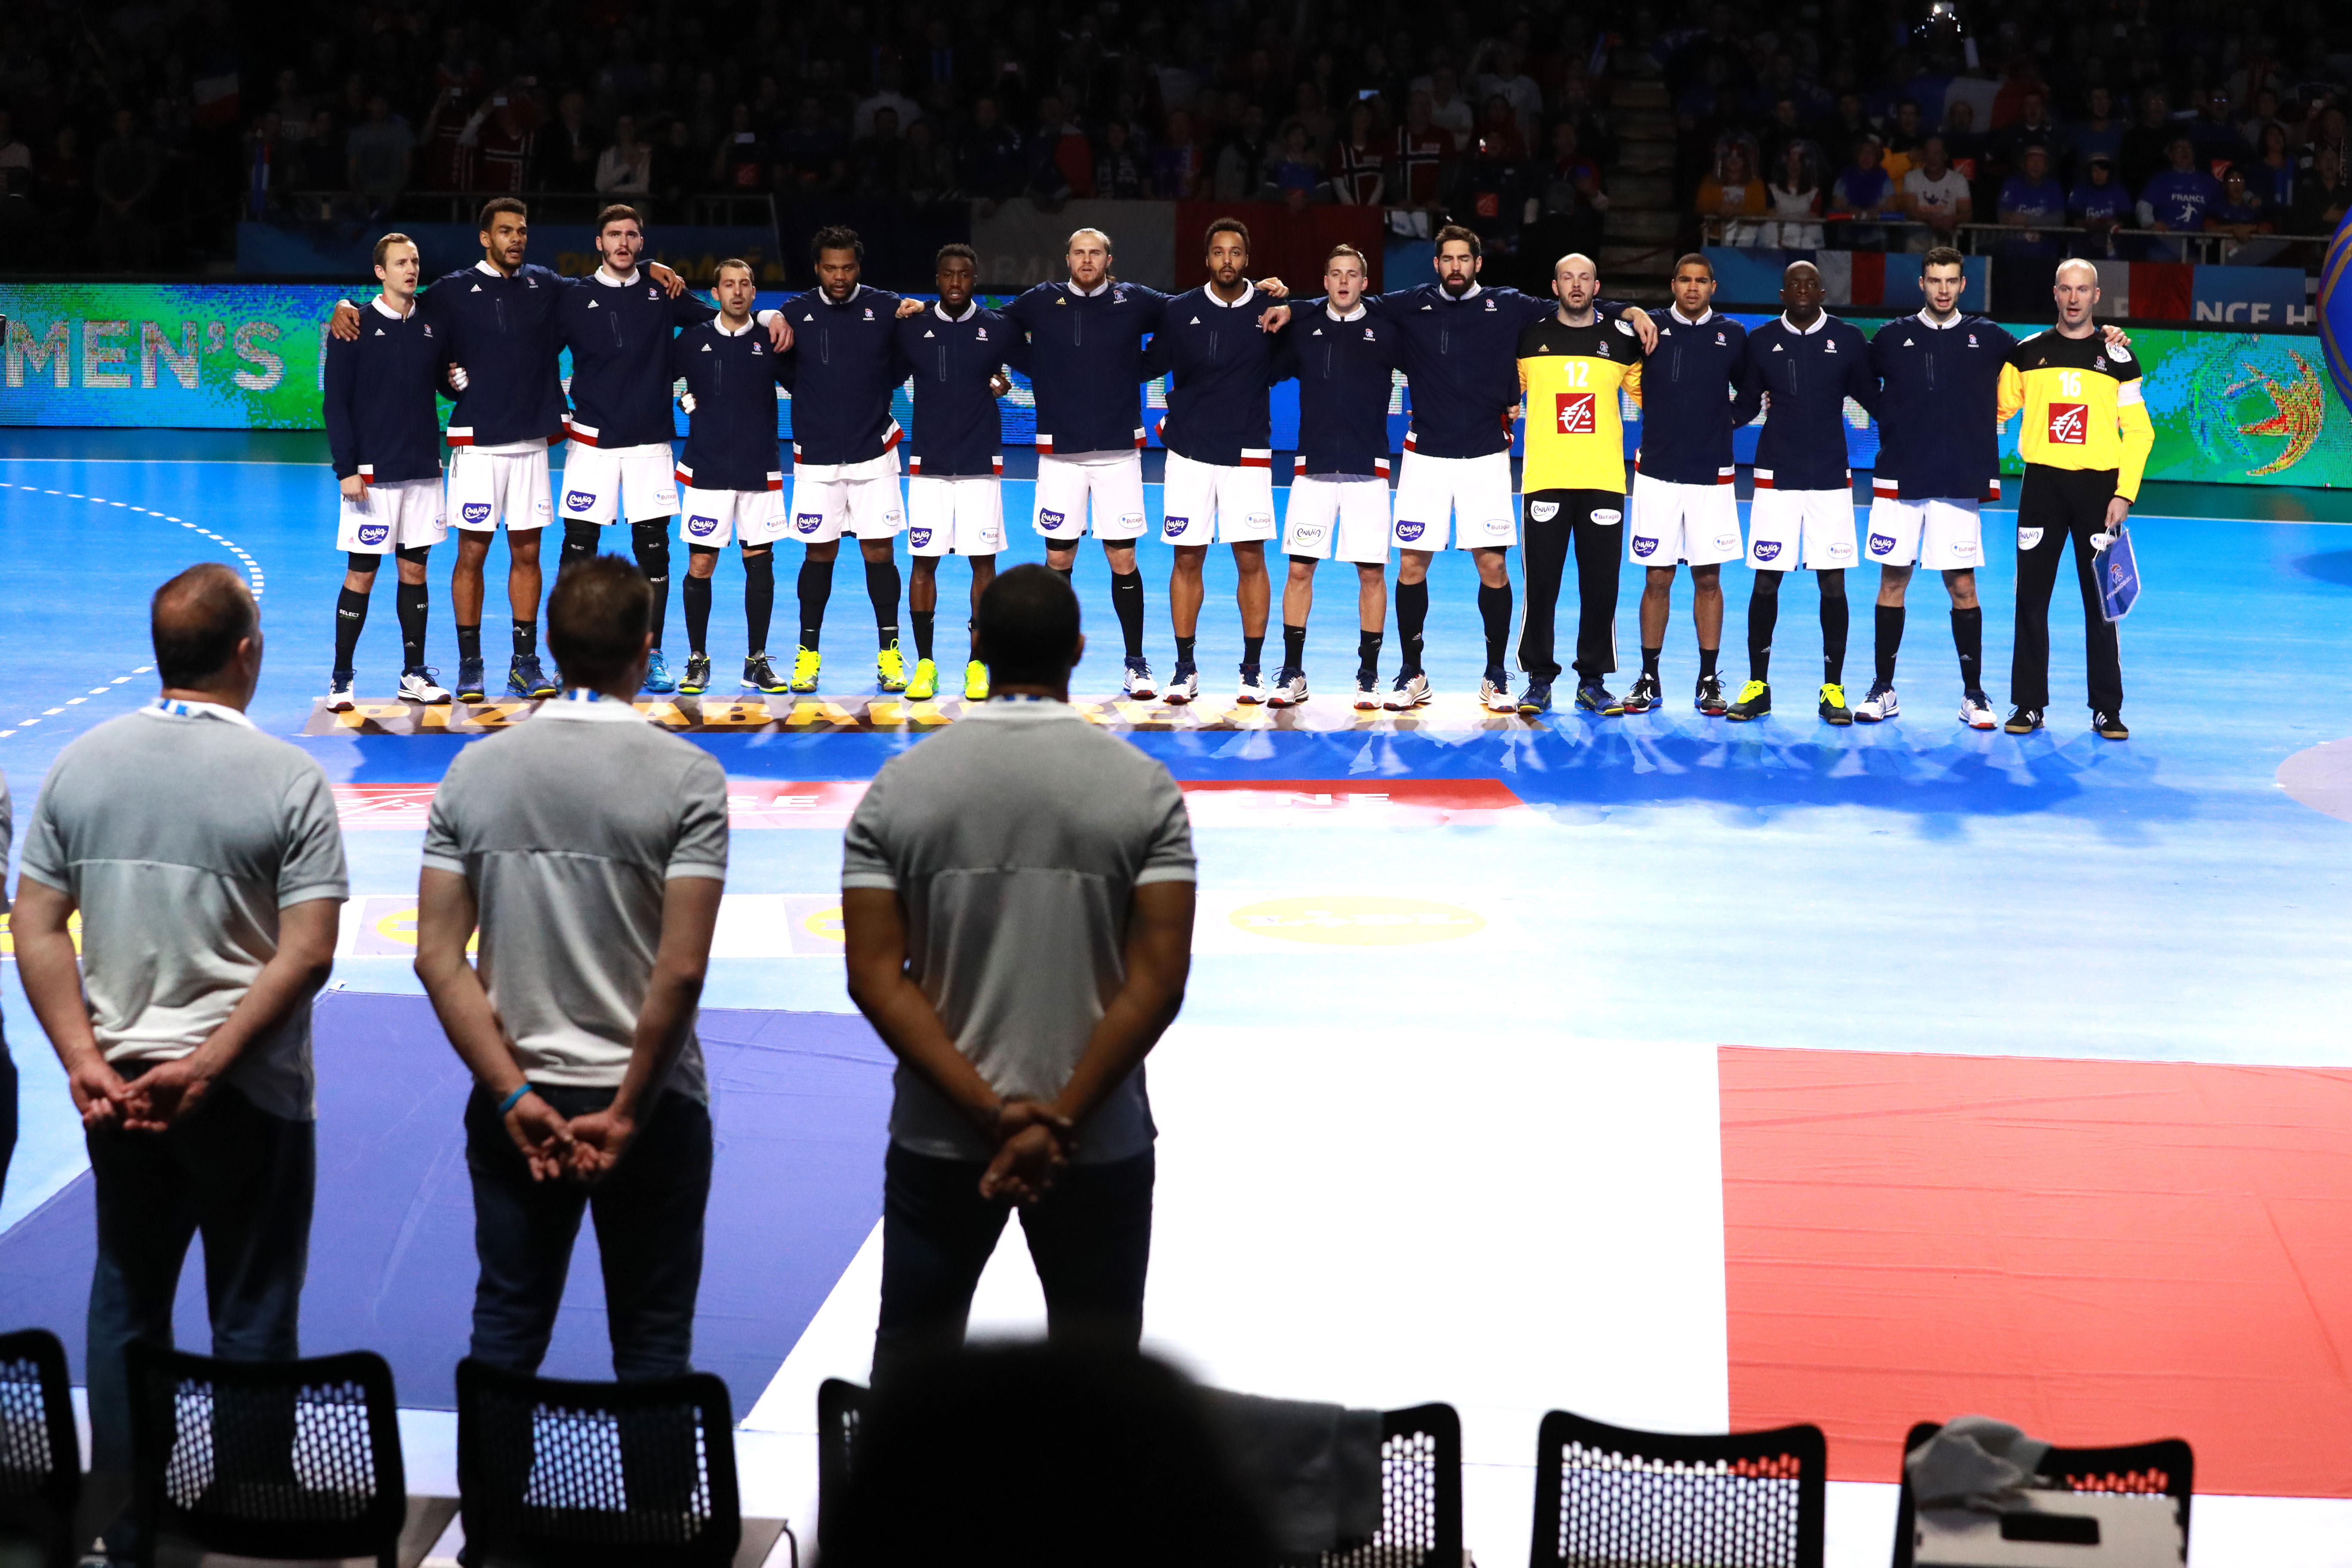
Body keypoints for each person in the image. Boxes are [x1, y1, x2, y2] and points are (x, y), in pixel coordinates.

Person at [14, 565, 344, 1564]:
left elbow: (34, 926)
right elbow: (310, 950)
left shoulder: (82, 764)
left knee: (126, 1294)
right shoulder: (288, 780)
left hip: (117, 1089)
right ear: (247, 652)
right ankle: (247, 1504)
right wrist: (209, 1065)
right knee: (252, 1300)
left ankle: (126, 1514)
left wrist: (81, 1060)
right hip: (249, 1094)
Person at [841, 566, 1195, 1381]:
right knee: (1100, 1385)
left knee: (911, 1371)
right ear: (1078, 648)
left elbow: (873, 976)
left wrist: (990, 1114)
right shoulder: (1143, 789)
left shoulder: (900, 786)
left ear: (976, 646)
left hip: (941, 1131)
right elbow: (1159, 981)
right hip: (1098, 1135)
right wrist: (1059, 1119)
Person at [414, 557, 728, 1391]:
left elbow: (437, 958)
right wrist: (626, 1113)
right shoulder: (689, 779)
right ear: (646, 649)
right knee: (655, 1345)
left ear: (549, 646)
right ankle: (661, 1526)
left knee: (506, 1331)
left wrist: (515, 1097)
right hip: (653, 1107)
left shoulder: (474, 771)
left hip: (521, 1103)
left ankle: (494, 1525)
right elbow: (683, 968)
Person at [326, 199, 686, 702]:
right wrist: (347, 306)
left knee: (529, 553)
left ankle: (525, 663)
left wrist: (650, 267)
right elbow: (398, 305)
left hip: (532, 443)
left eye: (521, 231)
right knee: (471, 553)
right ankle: (471, 665)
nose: (516, 239)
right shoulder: (450, 292)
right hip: (476, 444)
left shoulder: (546, 285)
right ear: (484, 238)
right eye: (505, 232)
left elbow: (609, 274)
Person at [1365, 225, 1654, 710]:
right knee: (1416, 563)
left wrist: (1633, 309)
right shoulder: (1412, 303)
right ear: (1437, 264)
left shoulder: (1516, 308)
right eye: (1448, 259)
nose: (1456, 267)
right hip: (1436, 456)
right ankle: (1417, 672)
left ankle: (1507, 675)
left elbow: (1588, 317)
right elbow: (1347, 304)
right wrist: (1293, 304)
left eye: (1465, 259)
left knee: (1505, 567)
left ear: (1479, 263)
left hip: (1503, 459)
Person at [554, 205, 788, 695]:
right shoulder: (573, 298)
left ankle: (653, 652)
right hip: (591, 445)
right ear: (599, 242)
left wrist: (770, 312)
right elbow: (535, 352)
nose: (623, 243)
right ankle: (570, 656)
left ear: (642, 244)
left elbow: (723, 316)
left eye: (632, 236)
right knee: (578, 552)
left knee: (654, 554)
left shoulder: (664, 292)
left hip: (649, 447)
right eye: (614, 235)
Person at [990, 229, 1172, 697]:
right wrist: (1035, 365)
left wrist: (1145, 365)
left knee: (1123, 558)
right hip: (1060, 453)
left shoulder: (1134, 299)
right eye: (1079, 253)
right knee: (1058, 559)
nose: (1087, 260)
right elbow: (991, 327)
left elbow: (1187, 313)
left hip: (1119, 453)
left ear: (1109, 259)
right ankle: (1049, 661)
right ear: (1067, 258)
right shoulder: (1040, 300)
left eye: (1095, 253)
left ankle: (1136, 664)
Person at [1994, 260, 2153, 739]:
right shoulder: (2026, 354)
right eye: (2066, 289)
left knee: (2102, 603)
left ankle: (2107, 708)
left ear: (2097, 296)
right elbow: (1994, 409)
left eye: (2083, 290)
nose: (2074, 298)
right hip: (2042, 486)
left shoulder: (2119, 358)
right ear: (2055, 293)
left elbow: (2139, 432)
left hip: (2098, 492)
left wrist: (2124, 493)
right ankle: (2028, 705)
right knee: (2031, 601)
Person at [1142, 218, 1295, 704]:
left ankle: (1251, 671)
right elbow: (1145, 364)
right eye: (1218, 253)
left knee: (1251, 561)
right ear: (1206, 259)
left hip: (1247, 453)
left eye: (1235, 253)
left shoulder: (1272, 307)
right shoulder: (1180, 310)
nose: (1226, 261)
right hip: (1189, 454)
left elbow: (1314, 333)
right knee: (1187, 558)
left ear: (1247, 260)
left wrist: (1292, 302)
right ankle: (1185, 668)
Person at [1862, 248, 2011, 729]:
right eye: (1934, 281)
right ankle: (1883, 689)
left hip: (1957, 480)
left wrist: (2107, 334)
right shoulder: (1892, 337)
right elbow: (1857, 377)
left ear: (1963, 285)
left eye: (1951, 281)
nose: (1943, 290)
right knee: (1892, 582)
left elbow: (2046, 355)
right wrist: (1891, 417)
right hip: (1900, 478)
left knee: (1963, 586)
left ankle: (1974, 695)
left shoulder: (1988, 338)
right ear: (1922, 284)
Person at [1725, 260, 1878, 723]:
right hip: (1775, 476)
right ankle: (1758, 686)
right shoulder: (1761, 340)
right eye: (1795, 284)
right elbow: (1746, 404)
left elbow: (1876, 398)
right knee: (1766, 579)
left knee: (1833, 583)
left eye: (1812, 283)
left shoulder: (1849, 339)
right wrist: (1699, 423)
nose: (1804, 290)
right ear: (1783, 292)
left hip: (1832, 477)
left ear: (1822, 290)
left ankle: (1833, 690)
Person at [778, 227, 912, 695]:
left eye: (848, 268)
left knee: (880, 553)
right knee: (820, 553)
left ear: (859, 267)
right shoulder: (793, 313)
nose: (840, 276)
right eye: (831, 268)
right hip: (816, 460)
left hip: (873, 456)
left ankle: (890, 654)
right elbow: (782, 366)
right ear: (817, 268)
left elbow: (907, 357)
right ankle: (807, 654)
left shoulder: (886, 308)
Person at [323, 233, 452, 708]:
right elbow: (335, 403)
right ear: (381, 272)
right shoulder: (352, 325)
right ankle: (341, 678)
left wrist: (457, 383)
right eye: (401, 263)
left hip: (422, 469)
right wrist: (346, 468)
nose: (411, 270)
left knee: (415, 572)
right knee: (362, 575)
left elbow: (442, 383)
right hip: (372, 475)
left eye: (415, 261)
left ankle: (414, 674)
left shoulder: (432, 324)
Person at [1512, 251, 1642, 716]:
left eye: (1584, 278)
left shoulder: (1621, 340)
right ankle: (1539, 680)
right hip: (1545, 480)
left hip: (1603, 480)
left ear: (1596, 286)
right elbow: (1508, 394)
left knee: (1601, 585)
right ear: (1555, 286)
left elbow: (1654, 396)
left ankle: (1593, 680)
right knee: (1541, 586)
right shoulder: (1531, 337)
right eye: (1567, 277)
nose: (1576, 285)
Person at [1271, 245, 1401, 710]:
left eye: (1352, 275)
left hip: (1370, 470)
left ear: (1365, 283)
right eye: (1335, 274)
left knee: (1371, 572)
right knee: (1300, 569)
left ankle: (1368, 676)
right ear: (1324, 281)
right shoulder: (1303, 327)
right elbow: (1264, 368)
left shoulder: (1386, 330)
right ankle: (1292, 672)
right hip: (1313, 469)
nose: (1344, 282)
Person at [894, 243, 1022, 704]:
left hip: (979, 465)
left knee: (982, 563)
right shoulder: (914, 328)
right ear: (937, 279)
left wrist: (1003, 378)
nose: (955, 283)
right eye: (947, 275)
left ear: (975, 280)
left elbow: (1034, 358)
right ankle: (925, 665)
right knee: (923, 563)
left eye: (964, 276)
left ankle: (978, 664)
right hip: (927, 465)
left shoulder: (995, 328)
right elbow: (876, 371)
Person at [1626, 254, 1748, 716]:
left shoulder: (1733, 335)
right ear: (1672, 284)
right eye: (1685, 280)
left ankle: (1708, 678)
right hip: (1656, 472)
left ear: (1712, 286)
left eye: (1701, 281)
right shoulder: (1648, 328)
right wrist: (1632, 312)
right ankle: (1649, 677)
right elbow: (1608, 313)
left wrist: (1726, 422)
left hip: (1711, 475)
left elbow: (1752, 391)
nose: (1693, 288)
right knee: (1657, 577)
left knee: (1708, 578)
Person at [671, 259, 793, 695]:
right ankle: (697, 659)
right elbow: (660, 379)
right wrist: (686, 402)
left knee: (760, 567)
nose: (737, 292)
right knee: (701, 565)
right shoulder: (693, 340)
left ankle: (756, 661)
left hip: (759, 469)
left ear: (755, 293)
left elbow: (807, 383)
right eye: (729, 285)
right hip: (706, 469)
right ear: (716, 293)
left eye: (745, 285)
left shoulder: (771, 339)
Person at [2139, 136, 2223, 260]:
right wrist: (2151, 224)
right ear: (2171, 155)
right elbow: (2144, 205)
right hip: (2166, 241)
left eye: (2188, 149)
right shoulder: (2161, 179)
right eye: (2179, 149)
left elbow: (2221, 208)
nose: (2184, 151)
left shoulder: (2209, 182)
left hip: (2199, 243)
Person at [1900, 136, 1971, 250]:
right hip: (1915, 244)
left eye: (1937, 154)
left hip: (1949, 244)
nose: (1932, 159)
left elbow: (1967, 214)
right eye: (1928, 154)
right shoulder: (1911, 178)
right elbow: (1910, 212)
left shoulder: (1959, 180)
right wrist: (1932, 220)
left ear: (1945, 156)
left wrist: (1951, 220)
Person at [1997, 145, 2068, 258]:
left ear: (2047, 167)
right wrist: (2040, 222)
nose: (2036, 165)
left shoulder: (2054, 187)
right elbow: (2003, 217)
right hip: (2013, 249)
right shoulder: (2012, 184)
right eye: (2032, 160)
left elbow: (2059, 219)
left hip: (2047, 250)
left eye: (2040, 161)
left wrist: (2027, 220)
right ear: (2023, 165)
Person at [2069, 156, 2133, 256]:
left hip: (2114, 247)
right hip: (2083, 246)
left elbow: (2126, 219)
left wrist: (2111, 224)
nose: (2099, 174)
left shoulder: (2119, 191)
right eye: (2095, 170)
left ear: (2109, 173)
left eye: (2103, 170)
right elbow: (2072, 218)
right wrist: (2089, 224)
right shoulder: (2080, 191)